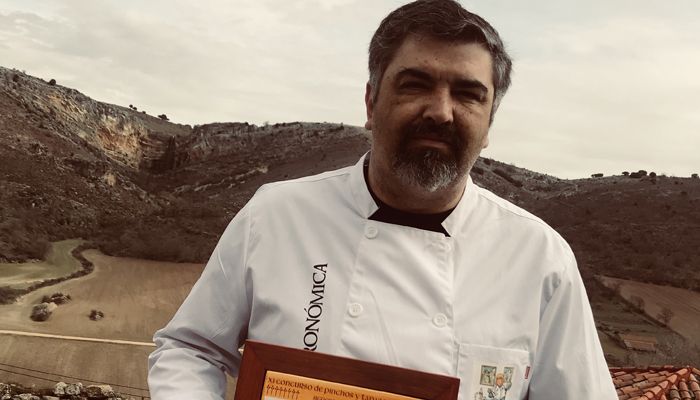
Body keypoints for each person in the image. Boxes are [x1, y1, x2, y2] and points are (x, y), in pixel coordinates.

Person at [148, 1, 618, 399]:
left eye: (468, 94)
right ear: (371, 103)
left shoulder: (541, 259)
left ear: (489, 123)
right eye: (415, 84)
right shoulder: (275, 216)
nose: (440, 111)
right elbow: (190, 349)